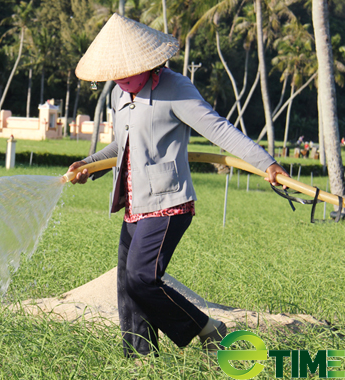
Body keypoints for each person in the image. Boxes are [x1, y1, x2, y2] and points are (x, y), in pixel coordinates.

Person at [65, 14, 289, 359]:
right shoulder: (118, 97)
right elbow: (119, 148)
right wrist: (88, 166)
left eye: (128, 71)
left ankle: (207, 329)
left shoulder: (176, 88)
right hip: (134, 206)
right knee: (128, 286)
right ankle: (141, 360)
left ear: (148, 62)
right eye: (115, 73)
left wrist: (267, 164)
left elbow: (220, 130)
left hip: (168, 204)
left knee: (141, 278)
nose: (121, 78)